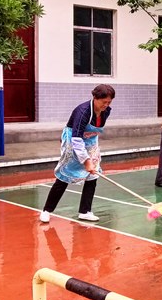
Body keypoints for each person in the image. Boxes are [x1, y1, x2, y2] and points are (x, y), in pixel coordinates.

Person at [39, 84, 115, 223]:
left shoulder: (106, 111)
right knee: (65, 174)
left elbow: (95, 129)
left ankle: (85, 211)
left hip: (91, 140)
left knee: (93, 174)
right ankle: (46, 210)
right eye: (104, 102)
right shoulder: (83, 111)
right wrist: (85, 160)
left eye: (109, 102)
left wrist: (90, 160)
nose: (106, 105)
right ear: (95, 98)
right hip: (74, 140)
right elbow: (76, 137)